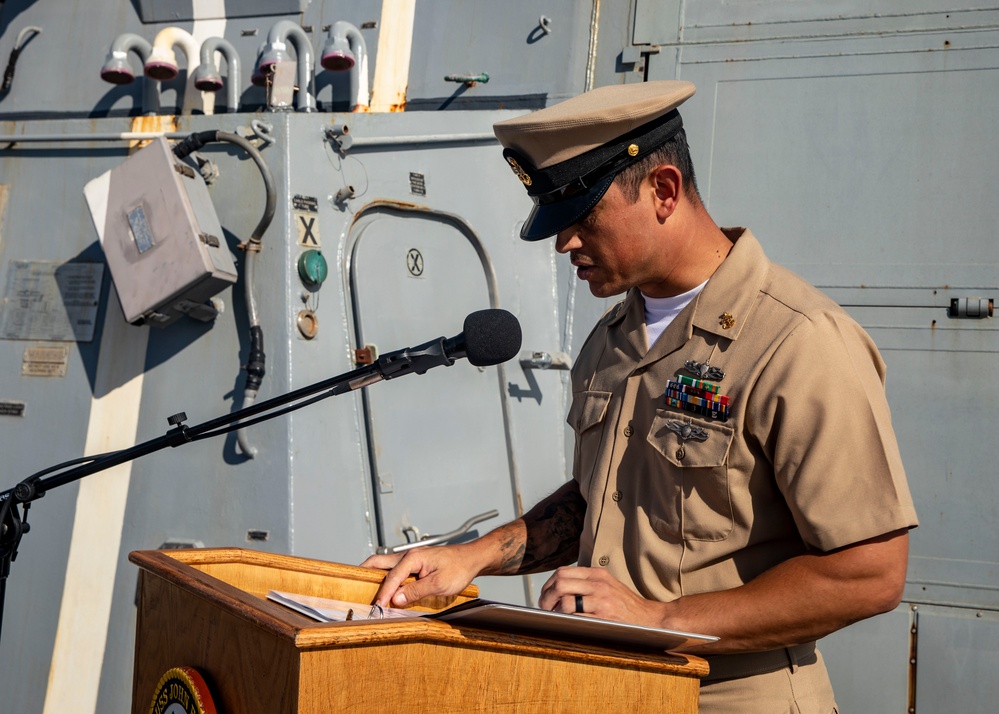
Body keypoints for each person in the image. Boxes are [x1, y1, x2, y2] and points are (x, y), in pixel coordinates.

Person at [361, 80, 918, 712]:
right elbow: (603, 501)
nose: (564, 241)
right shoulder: (612, 340)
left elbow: (870, 572)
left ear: (663, 191)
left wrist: (658, 619)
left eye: (583, 216)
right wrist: (468, 559)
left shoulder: (797, 341)